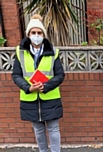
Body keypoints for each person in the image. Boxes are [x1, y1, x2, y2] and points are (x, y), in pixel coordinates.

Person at [12, 14, 65, 152]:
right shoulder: (20, 52)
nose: (36, 35)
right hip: (30, 97)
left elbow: (60, 75)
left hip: (50, 97)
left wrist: (46, 86)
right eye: (33, 32)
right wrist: (28, 87)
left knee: (53, 129)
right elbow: (16, 75)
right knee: (38, 130)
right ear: (28, 34)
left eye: (39, 32)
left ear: (44, 35)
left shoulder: (53, 52)